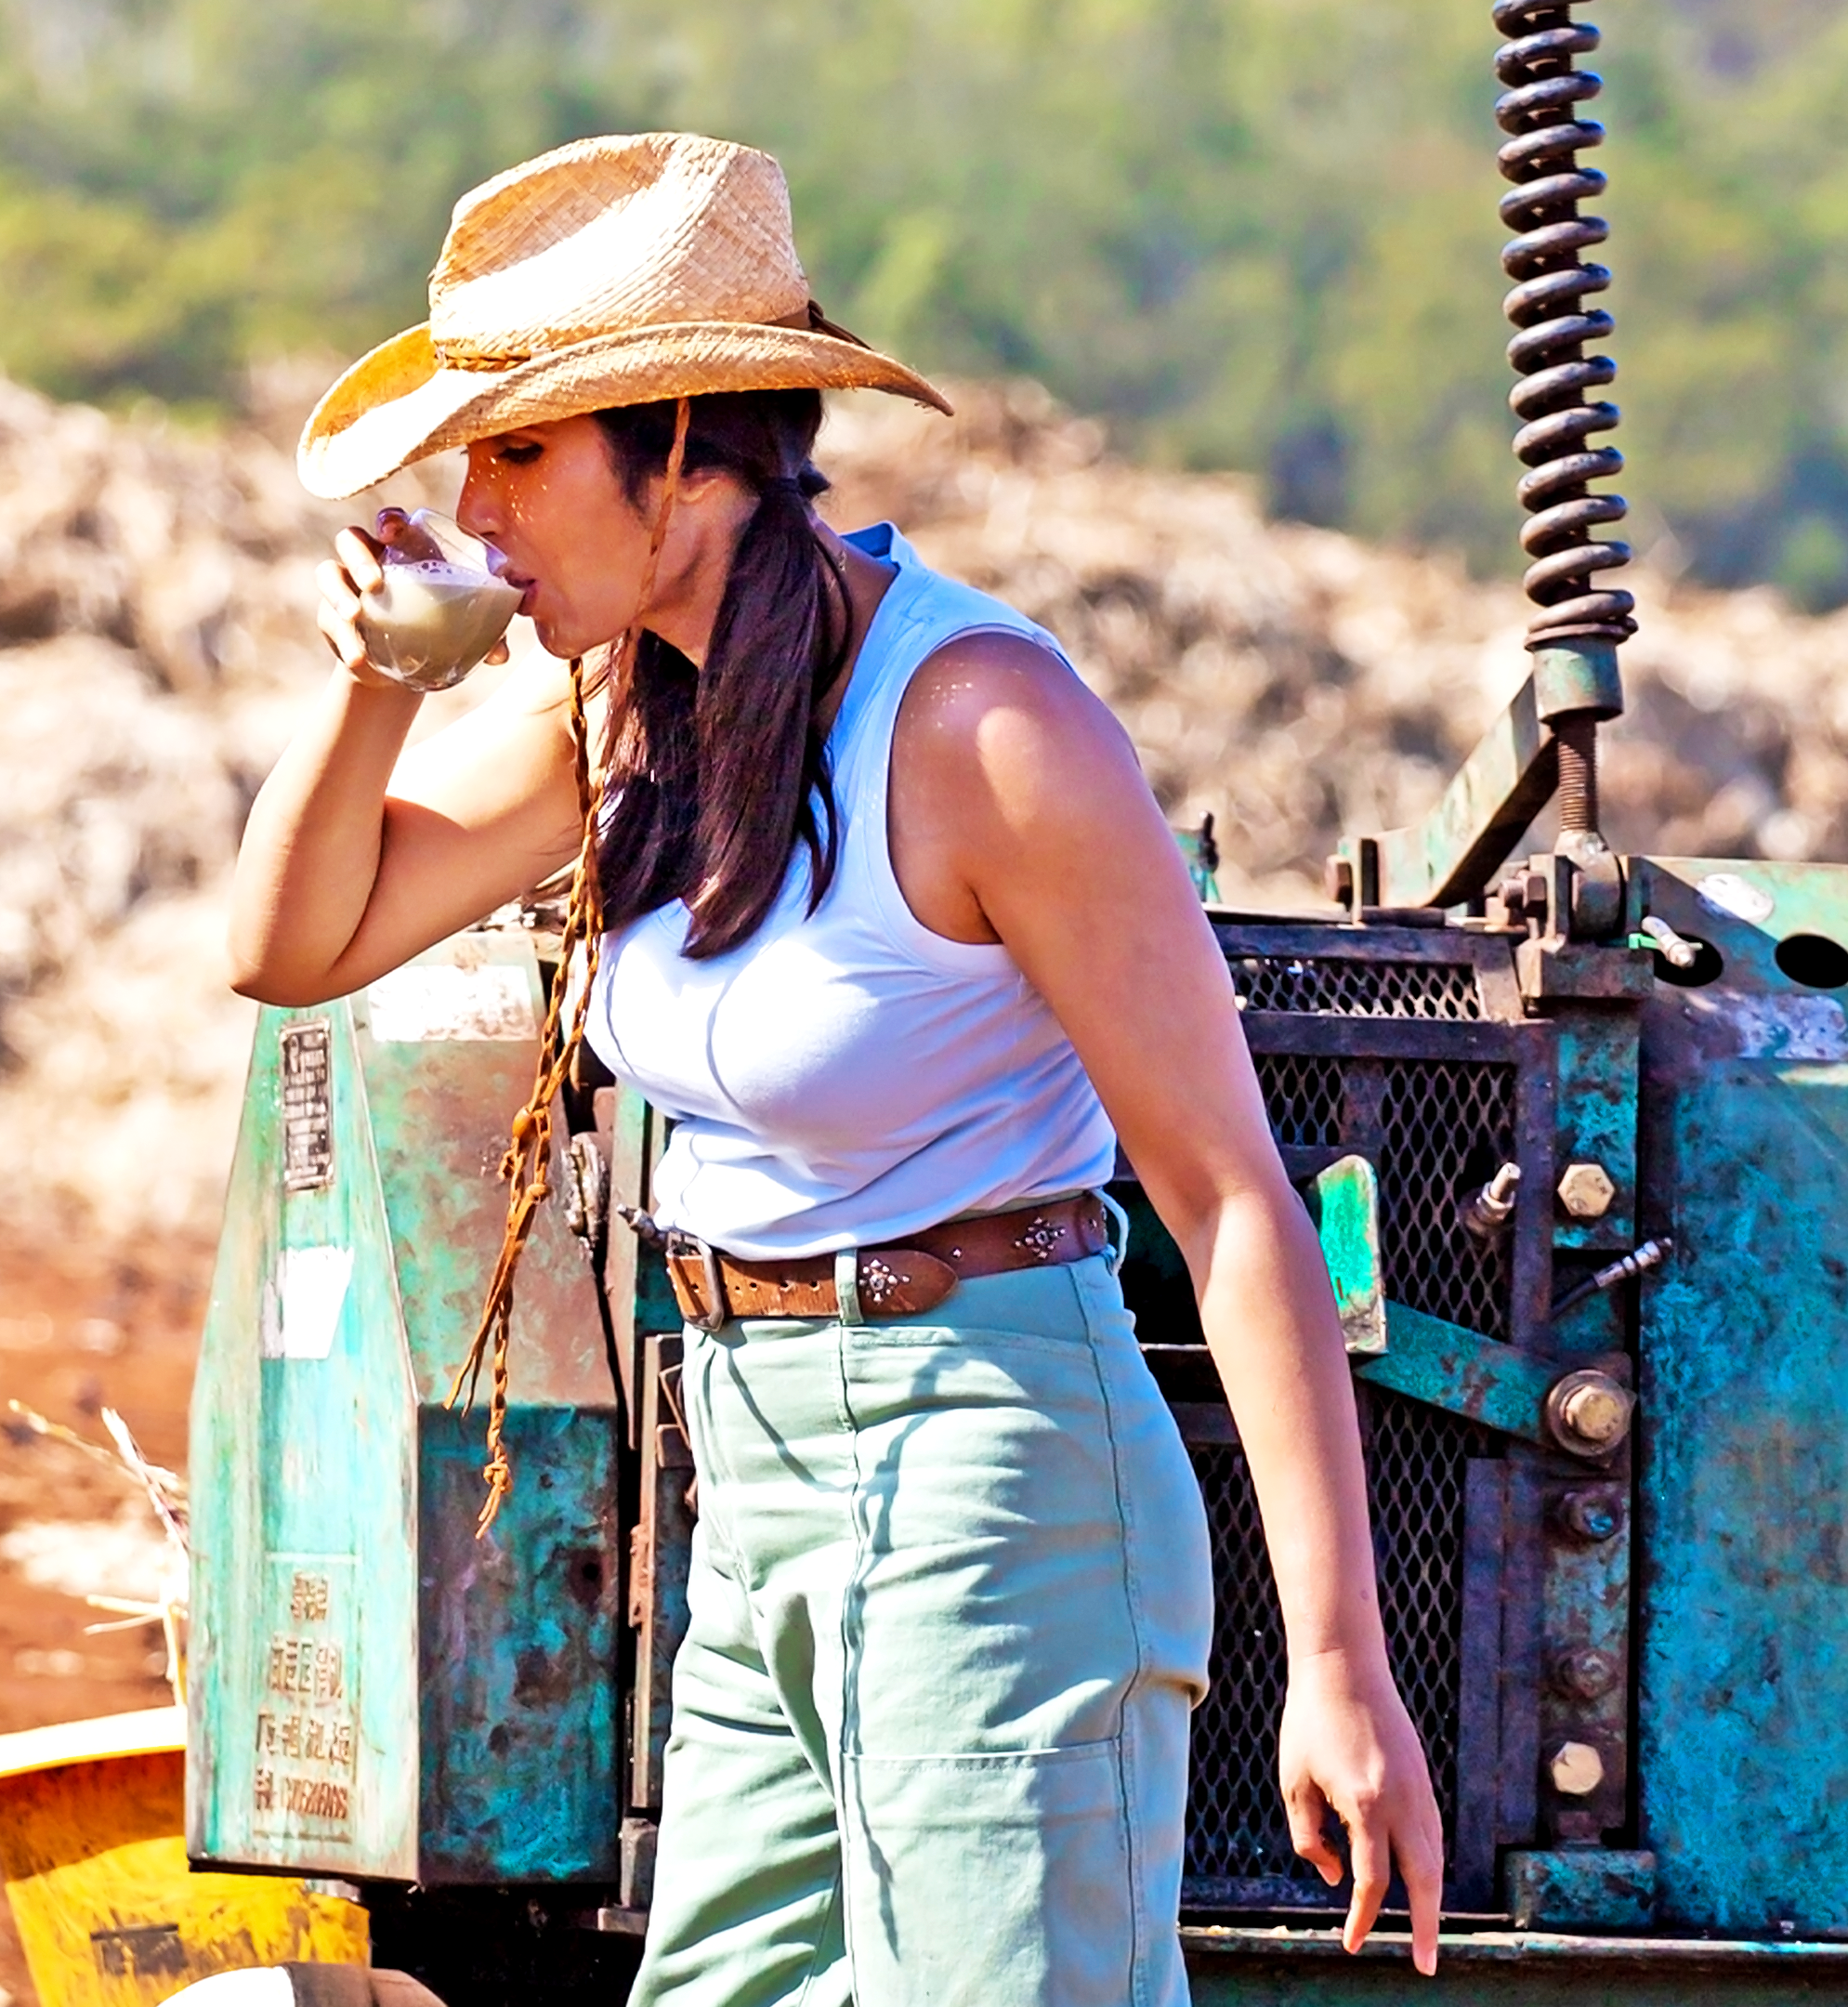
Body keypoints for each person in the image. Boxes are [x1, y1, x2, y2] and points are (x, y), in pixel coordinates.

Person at [224, 132, 1444, 2005]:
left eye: (523, 449)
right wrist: (381, 674)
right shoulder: (625, 710)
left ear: (690, 446)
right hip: (761, 1472)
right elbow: (291, 946)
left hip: (992, 1465)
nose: (477, 501)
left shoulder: (988, 725)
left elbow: (1229, 1200)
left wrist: (1347, 1672)